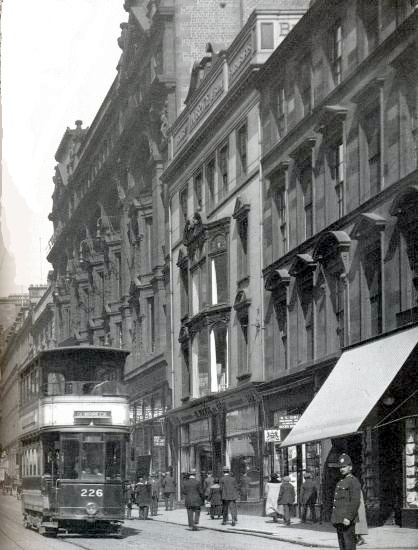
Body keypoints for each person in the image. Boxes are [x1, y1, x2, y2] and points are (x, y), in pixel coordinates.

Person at [331, 453, 361, 550]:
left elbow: (355, 502)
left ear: (350, 467)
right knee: (342, 546)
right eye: (340, 467)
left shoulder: (354, 481)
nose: (341, 469)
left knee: (349, 546)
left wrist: (348, 517)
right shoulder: (341, 481)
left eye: (344, 466)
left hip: (347, 520)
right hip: (339, 519)